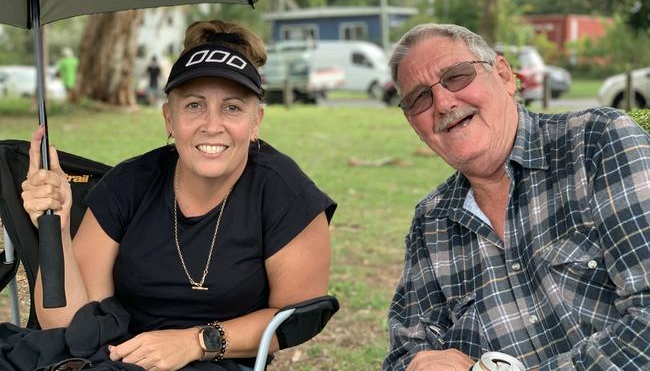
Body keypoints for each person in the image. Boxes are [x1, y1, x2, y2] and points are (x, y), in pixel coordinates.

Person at [21, 20, 336, 371]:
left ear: (256, 120)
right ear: (169, 118)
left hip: (218, 362)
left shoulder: (286, 194)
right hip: (117, 357)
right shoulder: (129, 183)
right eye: (194, 105)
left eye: (232, 107)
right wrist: (59, 229)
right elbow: (68, 325)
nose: (212, 125)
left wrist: (196, 342)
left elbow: (294, 318)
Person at [383, 23, 650, 371]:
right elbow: (404, 354)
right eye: (419, 97)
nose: (443, 102)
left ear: (505, 76)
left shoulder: (597, 143)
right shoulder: (431, 221)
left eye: (457, 76)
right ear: (413, 123)